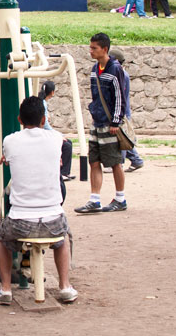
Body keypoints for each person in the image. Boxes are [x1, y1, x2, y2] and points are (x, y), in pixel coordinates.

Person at [0, 96, 78, 306]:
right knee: (63, 238)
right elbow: (61, 146)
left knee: (2, 240)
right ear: (43, 119)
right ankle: (65, 286)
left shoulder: (10, 141)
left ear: (20, 119)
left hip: (20, 220)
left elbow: (10, 158)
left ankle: (5, 289)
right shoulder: (56, 138)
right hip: (52, 218)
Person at [74, 33, 128, 214]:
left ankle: (120, 198)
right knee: (94, 161)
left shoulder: (115, 69)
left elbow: (120, 96)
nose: (90, 51)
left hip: (109, 123)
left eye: (94, 48)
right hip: (97, 122)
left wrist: (116, 121)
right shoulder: (94, 69)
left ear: (104, 49)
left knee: (114, 162)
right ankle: (94, 199)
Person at [110, 49, 144, 172]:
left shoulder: (121, 75)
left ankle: (120, 163)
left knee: (121, 138)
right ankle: (136, 160)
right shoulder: (121, 73)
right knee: (124, 137)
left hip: (121, 111)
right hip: (122, 110)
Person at [39, 80, 74, 182]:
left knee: (67, 142)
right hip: (44, 133)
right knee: (67, 144)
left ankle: (64, 172)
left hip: (44, 132)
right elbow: (45, 125)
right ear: (52, 92)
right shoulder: (43, 103)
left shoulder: (42, 102)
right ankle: (63, 172)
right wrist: (58, 134)